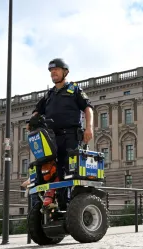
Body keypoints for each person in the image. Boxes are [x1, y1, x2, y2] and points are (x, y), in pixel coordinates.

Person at [27, 58, 94, 209]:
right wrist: (31, 121)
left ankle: (65, 202)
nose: (53, 73)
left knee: (67, 169)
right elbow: (37, 111)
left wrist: (89, 128)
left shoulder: (74, 90)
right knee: (45, 168)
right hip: (51, 138)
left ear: (65, 71)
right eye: (51, 71)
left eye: (56, 69)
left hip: (70, 136)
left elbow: (88, 108)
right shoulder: (49, 94)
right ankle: (45, 201)